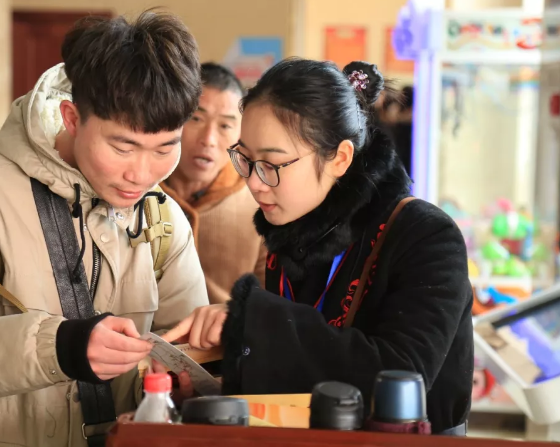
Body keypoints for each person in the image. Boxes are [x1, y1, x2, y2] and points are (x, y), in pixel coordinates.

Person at [0, 12, 208, 447]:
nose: (141, 173)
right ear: (72, 117)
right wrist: (60, 347)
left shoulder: (163, 219)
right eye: (123, 146)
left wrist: (184, 379)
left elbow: (183, 350)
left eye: (164, 148)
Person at [164, 59, 474, 435]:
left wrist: (252, 320)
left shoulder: (426, 235)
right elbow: (298, 373)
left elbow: (401, 378)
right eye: (245, 159)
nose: (254, 183)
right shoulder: (295, 228)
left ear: (339, 158)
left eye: (272, 164)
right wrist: (211, 387)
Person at [161, 63, 266, 304]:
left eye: (225, 126)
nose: (208, 139)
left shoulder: (260, 201)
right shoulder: (138, 190)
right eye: (196, 118)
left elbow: (269, 303)